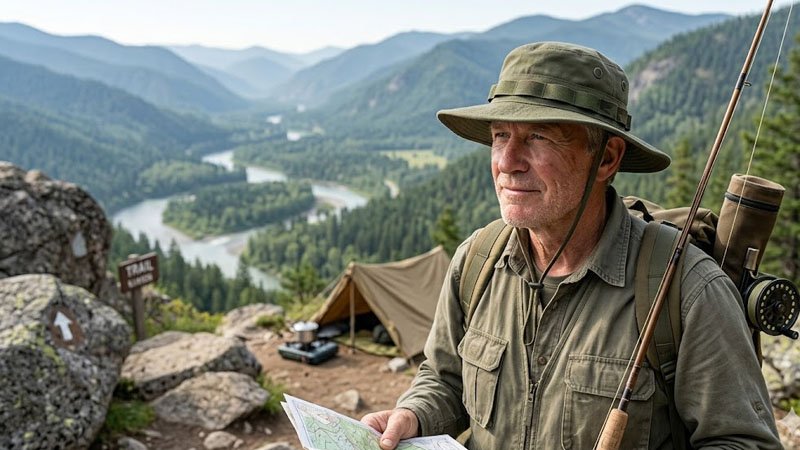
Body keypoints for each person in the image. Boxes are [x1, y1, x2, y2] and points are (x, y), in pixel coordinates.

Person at [361, 42, 782, 449]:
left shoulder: (686, 290)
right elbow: (444, 377)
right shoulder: (477, 261)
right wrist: (414, 414)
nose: (507, 161)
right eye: (500, 135)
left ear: (606, 158)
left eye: (539, 138)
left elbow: (744, 442)